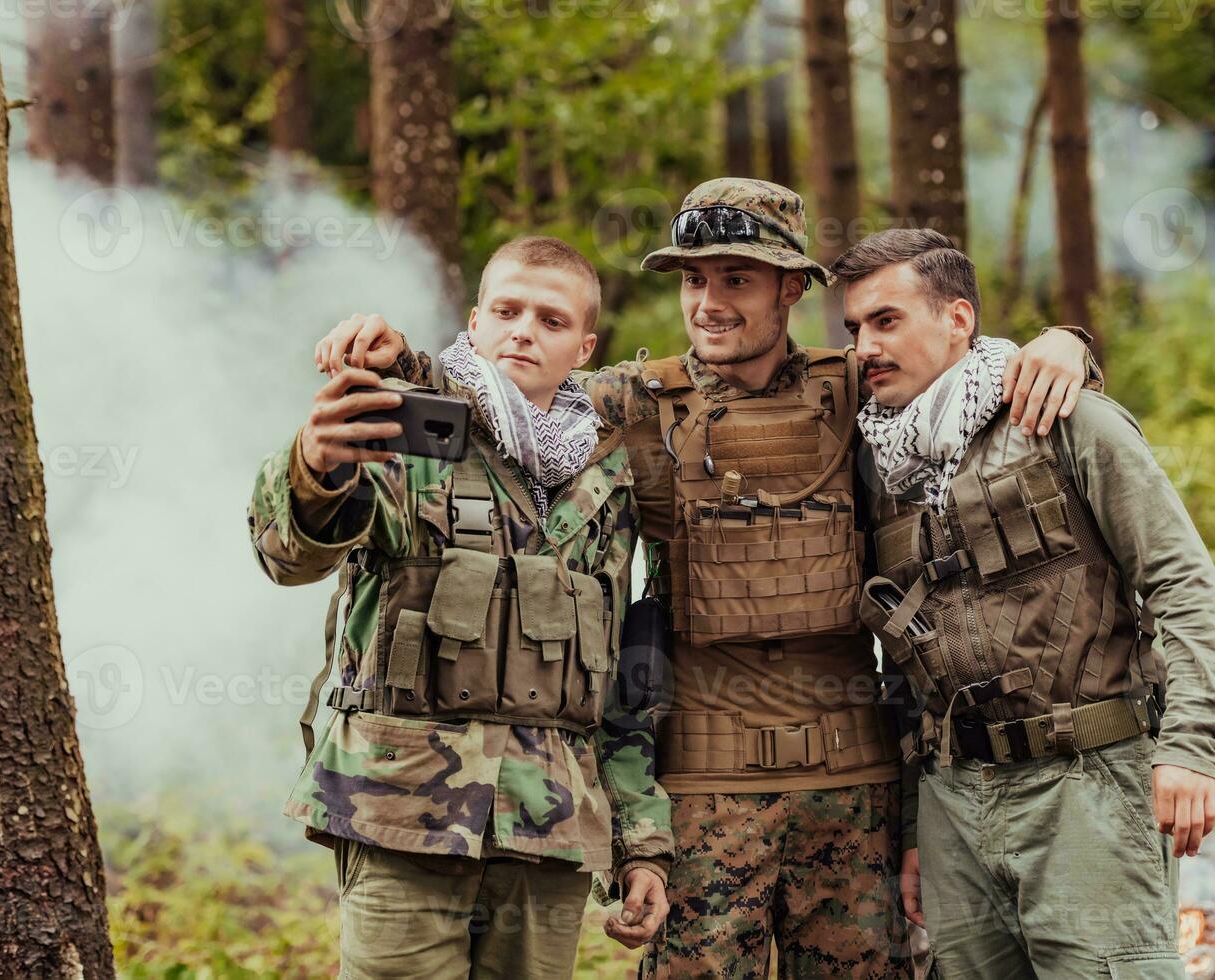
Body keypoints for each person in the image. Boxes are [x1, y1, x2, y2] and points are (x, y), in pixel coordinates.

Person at [314, 179, 1094, 978]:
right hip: (701, 788)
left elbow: (962, 378)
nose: (709, 302)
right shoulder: (630, 404)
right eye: (694, 280)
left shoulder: (857, 387)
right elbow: (503, 391)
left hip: (855, 783)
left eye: (736, 279)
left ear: (791, 287)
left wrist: (1065, 343)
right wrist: (400, 359)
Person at [248, 236, 672, 978]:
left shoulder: (608, 483)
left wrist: (641, 847)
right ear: (474, 322)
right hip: (403, 817)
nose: (523, 331)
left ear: (585, 345)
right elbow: (290, 556)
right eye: (506, 311)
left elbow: (615, 691)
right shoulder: (409, 432)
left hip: (550, 834)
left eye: (550, 320)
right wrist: (313, 465)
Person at [837, 228, 1215, 979]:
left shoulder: (1066, 418)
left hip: (1088, 785)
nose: (866, 346)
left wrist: (1189, 746)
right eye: (855, 327)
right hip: (956, 804)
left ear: (957, 319)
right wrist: (919, 824)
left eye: (887, 320)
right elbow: (903, 668)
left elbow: (1181, 580)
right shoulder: (878, 466)